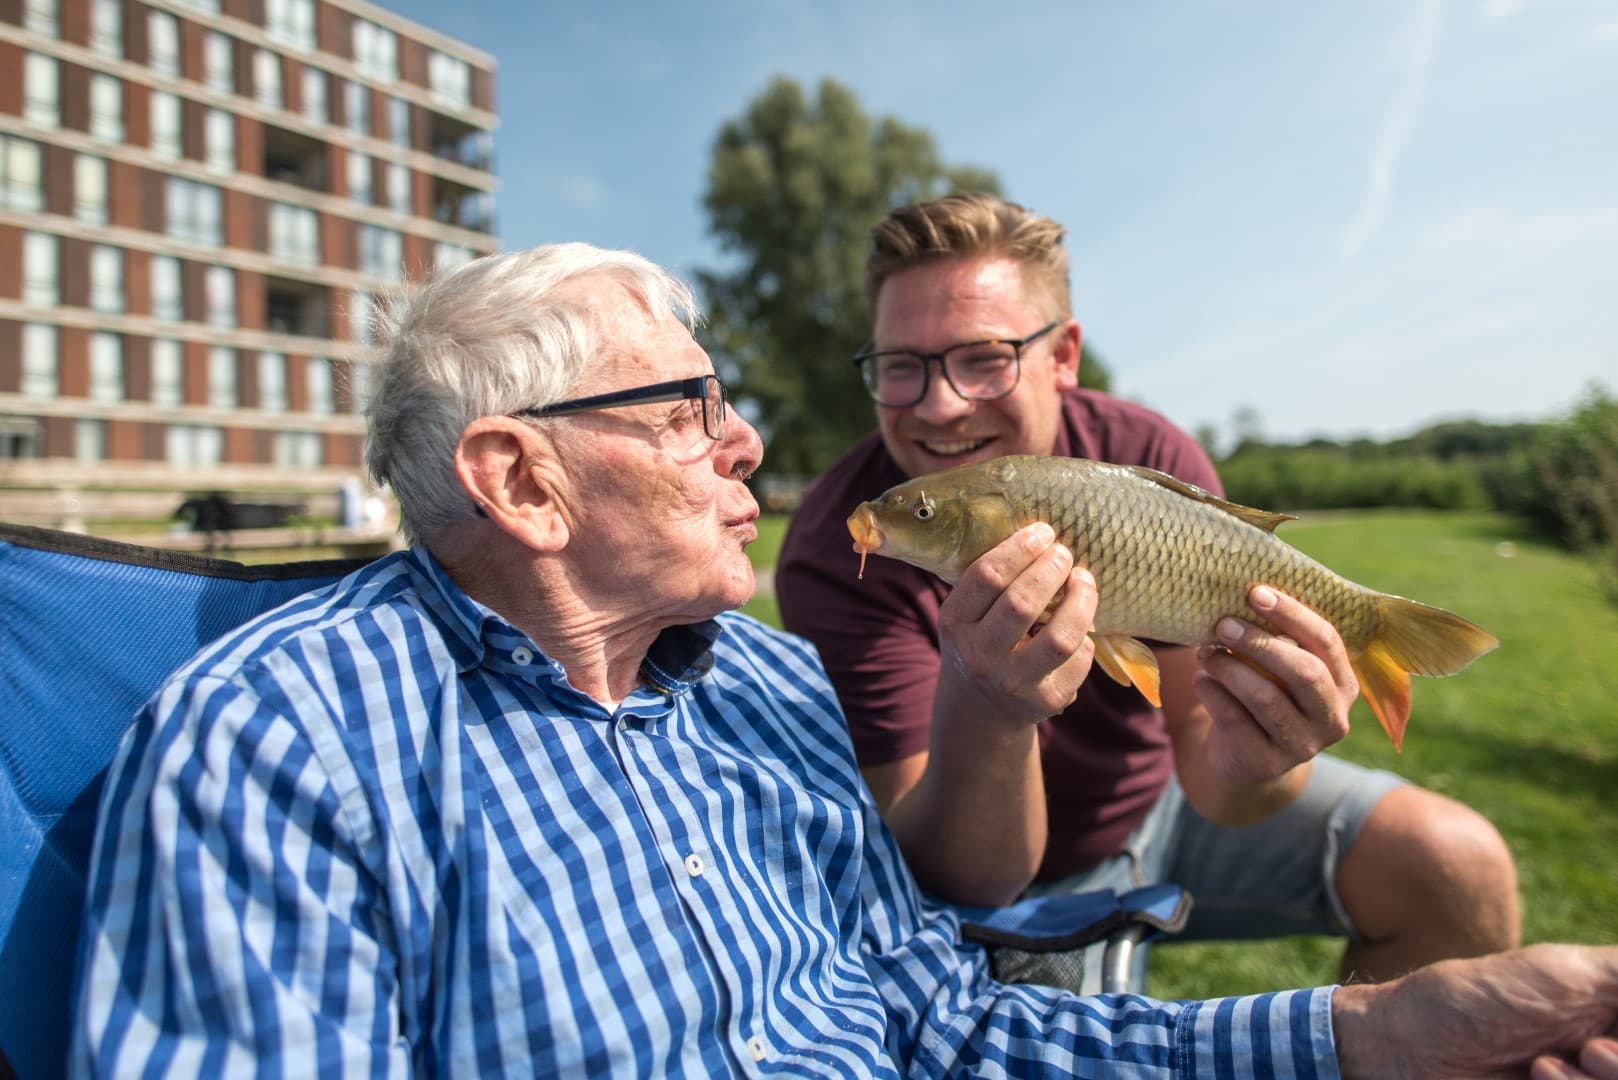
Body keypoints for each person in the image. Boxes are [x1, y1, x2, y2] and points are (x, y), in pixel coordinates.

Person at [71, 243, 1616, 1078]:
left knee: (1446, 872)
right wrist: (989, 706)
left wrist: (1366, 1038)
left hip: (1130, 832)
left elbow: (947, 1018)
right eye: (687, 408)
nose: (747, 440)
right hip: (1036, 849)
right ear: (522, 480)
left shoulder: (762, 687)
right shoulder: (281, 742)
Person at [776, 192, 1520, 982]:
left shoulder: (1147, 452)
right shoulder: (836, 550)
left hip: (1172, 804)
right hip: (1011, 882)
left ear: (1063, 355)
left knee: (1457, 865)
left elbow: (1213, 774)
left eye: (984, 358)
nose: (940, 406)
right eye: (901, 366)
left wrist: (1260, 758)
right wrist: (990, 708)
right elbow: (952, 867)